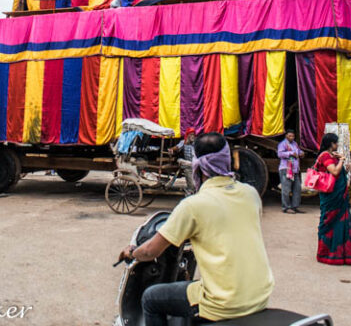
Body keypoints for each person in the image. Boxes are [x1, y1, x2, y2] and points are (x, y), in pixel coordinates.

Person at [117, 133, 274, 325]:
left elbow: (151, 251)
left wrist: (131, 252)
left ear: (198, 166)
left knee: (150, 298)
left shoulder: (193, 205)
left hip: (224, 303)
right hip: (260, 296)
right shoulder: (251, 194)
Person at [315, 133, 351, 265]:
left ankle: (342, 254)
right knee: (330, 222)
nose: (337, 145)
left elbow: (339, 172)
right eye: (336, 142)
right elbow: (334, 171)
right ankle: (328, 254)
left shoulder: (332, 155)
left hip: (339, 195)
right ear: (331, 143)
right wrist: (342, 160)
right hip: (331, 196)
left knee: (342, 223)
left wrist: (347, 168)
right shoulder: (325, 156)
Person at [277, 129, 305, 213]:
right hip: (286, 169)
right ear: (286, 136)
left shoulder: (295, 144)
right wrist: (291, 153)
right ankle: (286, 207)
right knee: (286, 189)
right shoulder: (282, 144)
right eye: (290, 136)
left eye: (293, 136)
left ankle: (294, 206)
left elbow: (298, 151)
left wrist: (301, 153)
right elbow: (280, 154)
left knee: (297, 189)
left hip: (295, 170)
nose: (291, 137)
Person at [172, 128, 197, 196]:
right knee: (191, 182)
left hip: (195, 164)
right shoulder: (183, 142)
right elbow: (177, 147)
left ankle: (192, 190)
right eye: (191, 134)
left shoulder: (196, 143)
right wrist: (172, 149)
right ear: (188, 135)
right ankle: (190, 190)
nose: (192, 136)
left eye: (193, 135)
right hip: (186, 164)